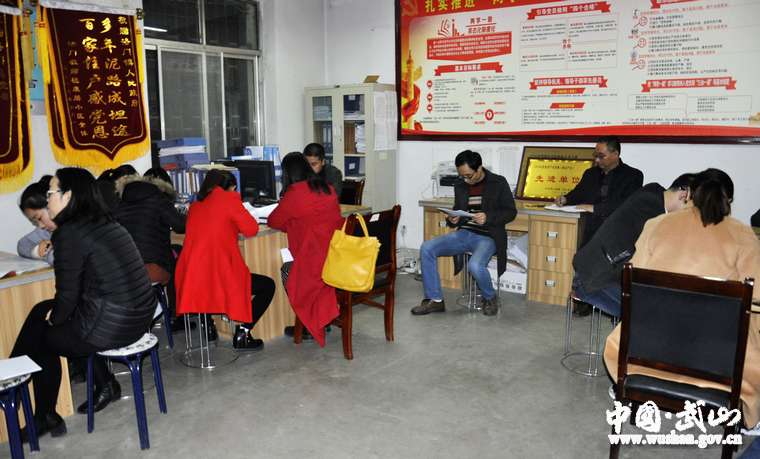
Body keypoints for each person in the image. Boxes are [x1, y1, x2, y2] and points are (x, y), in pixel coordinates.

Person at [603, 168, 760, 431]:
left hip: (647, 348)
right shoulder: (741, 234)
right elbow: (756, 295)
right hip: (715, 359)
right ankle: (745, 421)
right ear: (729, 201)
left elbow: (636, 280)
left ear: (688, 195)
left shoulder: (656, 225)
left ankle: (635, 388)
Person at [10, 167, 156, 440]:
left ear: (67, 196)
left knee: (45, 337)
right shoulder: (103, 221)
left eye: (51, 192)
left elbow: (67, 297)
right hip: (139, 315)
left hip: (115, 323)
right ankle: (20, 388)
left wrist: (56, 318)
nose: (48, 198)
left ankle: (40, 414)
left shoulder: (69, 233)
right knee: (41, 312)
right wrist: (57, 314)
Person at [175, 169, 275, 352]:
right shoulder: (230, 199)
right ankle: (243, 334)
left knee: (205, 289)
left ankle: (208, 326)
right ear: (231, 187)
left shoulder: (195, 205)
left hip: (193, 279)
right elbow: (251, 229)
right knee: (268, 285)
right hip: (221, 276)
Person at [570, 173, 694, 317]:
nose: (690, 215)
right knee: (649, 316)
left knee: (661, 306)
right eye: (693, 209)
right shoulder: (647, 207)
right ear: (683, 195)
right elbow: (657, 256)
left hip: (609, 273)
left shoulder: (654, 196)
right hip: (595, 279)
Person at [412, 150, 517, 317]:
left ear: (479, 168)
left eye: (468, 176)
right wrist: (453, 219)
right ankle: (435, 299)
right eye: (462, 176)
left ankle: (490, 297)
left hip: (488, 236)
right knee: (427, 248)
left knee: (475, 266)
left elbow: (510, 212)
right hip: (464, 233)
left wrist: (488, 217)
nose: (465, 180)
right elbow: (458, 210)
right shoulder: (460, 184)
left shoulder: (498, 182)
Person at [268, 152, 345, 346]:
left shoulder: (295, 192)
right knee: (304, 269)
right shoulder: (325, 187)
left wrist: (292, 224)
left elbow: (274, 221)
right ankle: (322, 319)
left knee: (287, 270)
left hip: (314, 261)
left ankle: (306, 323)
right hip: (335, 256)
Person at [115, 169, 188, 332]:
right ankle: (175, 316)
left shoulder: (123, 201)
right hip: (150, 270)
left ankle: (162, 310)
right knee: (180, 257)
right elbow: (180, 225)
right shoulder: (158, 197)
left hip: (124, 270)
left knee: (174, 251)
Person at [554, 135, 644, 248]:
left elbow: (627, 204)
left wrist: (595, 208)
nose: (597, 160)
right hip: (592, 231)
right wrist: (565, 199)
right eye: (596, 155)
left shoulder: (633, 175)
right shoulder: (590, 174)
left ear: (615, 154)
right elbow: (579, 193)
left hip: (619, 233)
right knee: (581, 257)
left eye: (601, 156)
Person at [17, 176, 57, 266]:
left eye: (39, 218)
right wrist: (37, 251)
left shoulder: (76, 227)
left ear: (52, 205)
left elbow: (62, 258)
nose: (41, 226)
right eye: (35, 222)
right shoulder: (48, 231)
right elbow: (22, 244)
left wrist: (47, 254)